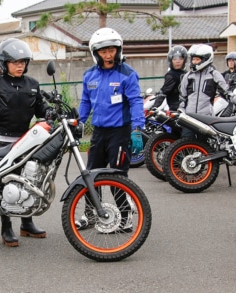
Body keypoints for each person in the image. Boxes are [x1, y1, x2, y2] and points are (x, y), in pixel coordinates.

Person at [0, 38, 52, 247]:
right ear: (3, 63)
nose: (20, 66)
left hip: (25, 140)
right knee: (2, 183)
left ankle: (27, 223)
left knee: (27, 181)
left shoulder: (32, 85)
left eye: (23, 62)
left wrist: (50, 111)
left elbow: (41, 109)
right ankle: (6, 227)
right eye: (15, 62)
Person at [76, 27, 145, 230]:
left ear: (118, 50)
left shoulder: (127, 74)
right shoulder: (90, 75)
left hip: (120, 132)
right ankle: (90, 215)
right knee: (90, 177)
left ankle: (125, 217)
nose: (108, 55)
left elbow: (135, 101)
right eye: (103, 51)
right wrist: (79, 122)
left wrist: (137, 128)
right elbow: (85, 102)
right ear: (96, 52)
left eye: (112, 50)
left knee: (117, 177)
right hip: (98, 133)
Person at [178, 44, 228, 138]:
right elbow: (182, 96)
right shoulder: (188, 76)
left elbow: (226, 90)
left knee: (204, 146)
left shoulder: (214, 75)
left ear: (206, 59)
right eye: (193, 59)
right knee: (185, 142)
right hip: (189, 117)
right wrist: (182, 110)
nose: (194, 62)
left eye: (197, 59)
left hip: (206, 118)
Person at [153, 45, 188, 111]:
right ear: (171, 60)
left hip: (189, 108)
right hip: (176, 110)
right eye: (175, 59)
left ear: (184, 60)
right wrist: (155, 106)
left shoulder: (187, 74)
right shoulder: (171, 75)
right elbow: (163, 92)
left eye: (180, 59)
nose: (178, 61)